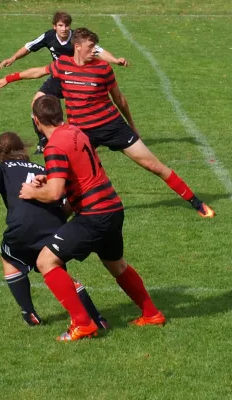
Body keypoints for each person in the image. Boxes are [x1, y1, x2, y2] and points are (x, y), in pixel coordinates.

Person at [0, 28, 215, 219]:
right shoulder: (63, 65)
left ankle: (196, 202)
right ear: (77, 46)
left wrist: (132, 126)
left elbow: (120, 99)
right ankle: (60, 220)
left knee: (154, 166)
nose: (94, 50)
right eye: (90, 46)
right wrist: (9, 78)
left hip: (113, 127)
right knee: (72, 178)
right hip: (81, 134)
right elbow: (37, 72)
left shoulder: (103, 69)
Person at [18, 95, 166, 342]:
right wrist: (52, 177)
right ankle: (151, 313)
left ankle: (82, 323)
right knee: (117, 265)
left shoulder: (53, 146)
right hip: (112, 207)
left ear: (36, 121)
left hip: (93, 215)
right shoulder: (76, 131)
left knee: (45, 261)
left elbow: (55, 194)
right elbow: (76, 170)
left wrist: (32, 191)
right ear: (60, 114)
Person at [0, 131, 109, 329]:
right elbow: (67, 202)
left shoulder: (3, 168)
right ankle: (97, 318)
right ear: (23, 149)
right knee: (58, 272)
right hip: (56, 227)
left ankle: (28, 312)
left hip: (22, 228)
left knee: (8, 257)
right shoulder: (43, 170)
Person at [0, 11, 128, 155]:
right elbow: (29, 47)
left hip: (78, 79)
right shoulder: (49, 37)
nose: (64, 29)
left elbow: (99, 50)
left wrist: (115, 60)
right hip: (59, 75)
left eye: (67, 25)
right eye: (60, 25)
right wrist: (13, 59)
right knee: (36, 102)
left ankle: (82, 136)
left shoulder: (78, 40)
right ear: (54, 26)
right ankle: (43, 141)